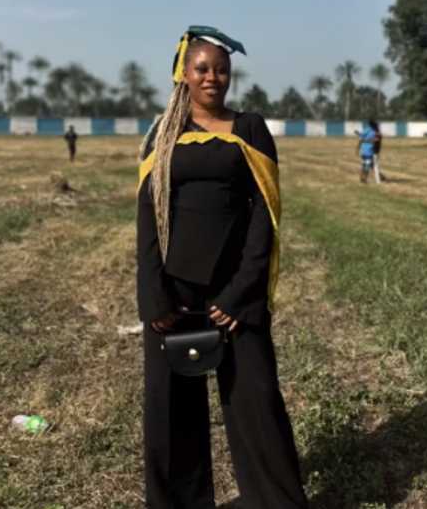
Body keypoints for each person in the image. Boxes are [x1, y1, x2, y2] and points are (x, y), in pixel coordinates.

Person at [136, 25, 308, 508]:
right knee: (170, 415)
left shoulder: (249, 128)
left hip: (234, 295)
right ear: (183, 74)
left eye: (222, 69)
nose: (214, 77)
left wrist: (241, 293)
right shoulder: (161, 135)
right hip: (174, 294)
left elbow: (264, 218)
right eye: (203, 68)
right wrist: (154, 295)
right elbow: (147, 217)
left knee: (256, 403)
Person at [356, 119, 378, 184]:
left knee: (364, 164)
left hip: (363, 150)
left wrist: (358, 134)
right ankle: (364, 179)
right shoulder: (373, 131)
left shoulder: (366, 129)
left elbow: (361, 137)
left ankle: (362, 177)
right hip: (369, 150)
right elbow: (374, 140)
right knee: (367, 165)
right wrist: (373, 140)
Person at [368, 118, 383, 183]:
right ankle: (380, 176)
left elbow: (376, 140)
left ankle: (378, 180)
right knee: (371, 165)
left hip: (375, 151)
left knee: (375, 165)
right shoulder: (376, 132)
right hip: (373, 150)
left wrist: (368, 140)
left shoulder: (377, 133)